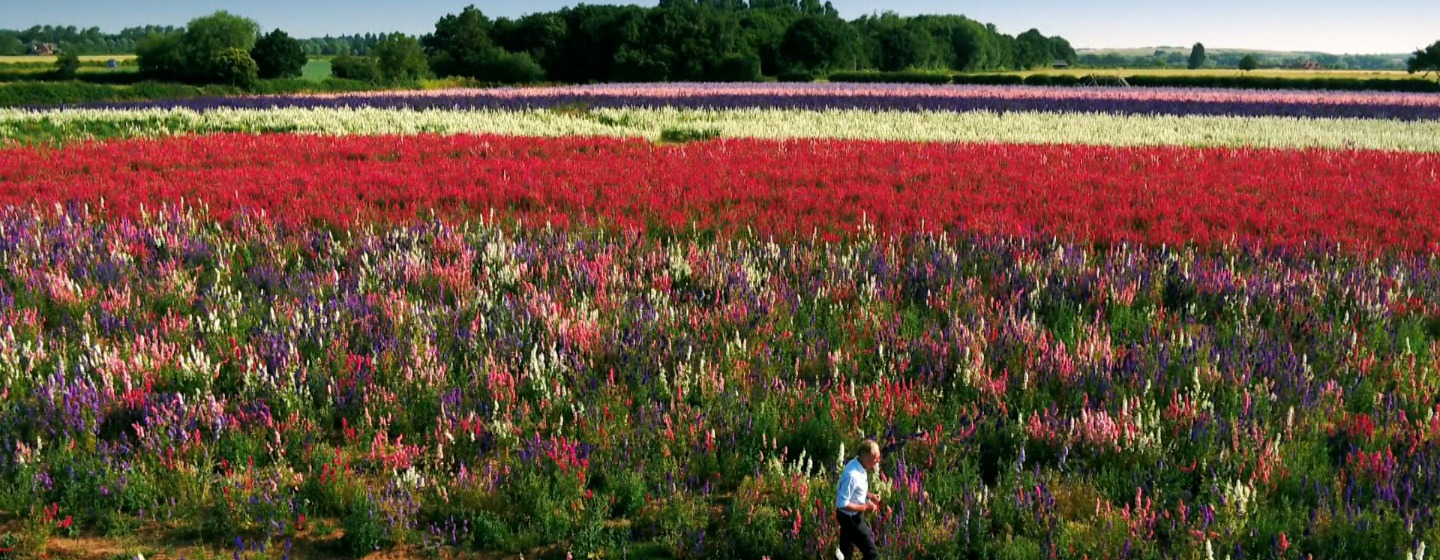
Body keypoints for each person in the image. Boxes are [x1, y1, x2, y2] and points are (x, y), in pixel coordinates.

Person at [835, 439, 882, 560]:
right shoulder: (852, 475)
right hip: (850, 518)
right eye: (875, 457)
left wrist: (869, 495)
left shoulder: (859, 465)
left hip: (852, 515)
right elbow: (842, 503)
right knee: (873, 555)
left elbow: (855, 491)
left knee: (845, 554)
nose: (878, 461)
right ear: (865, 456)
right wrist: (865, 507)